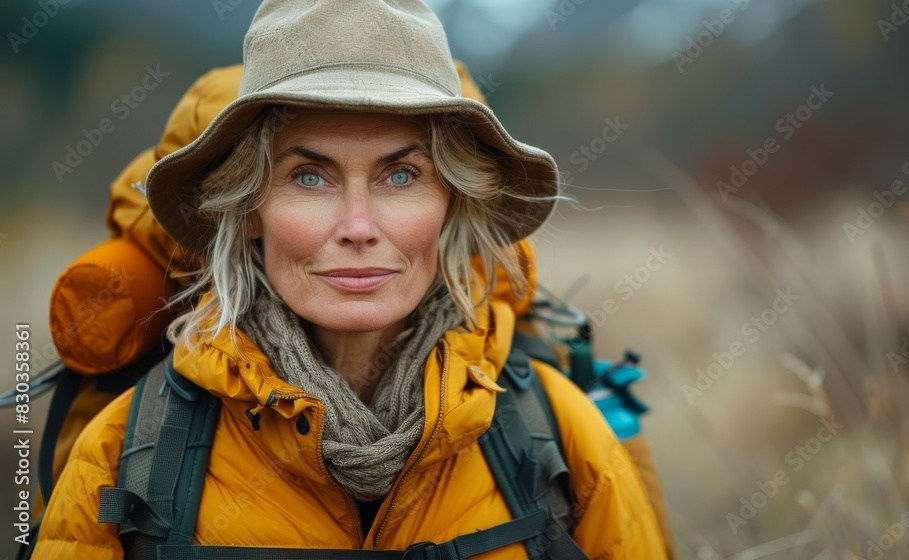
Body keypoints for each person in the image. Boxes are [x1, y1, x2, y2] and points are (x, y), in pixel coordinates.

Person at [33, 0, 669, 557]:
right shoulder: (124, 452)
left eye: (401, 176)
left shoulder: (560, 432)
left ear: (452, 205)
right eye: (310, 177)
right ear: (249, 209)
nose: (359, 227)